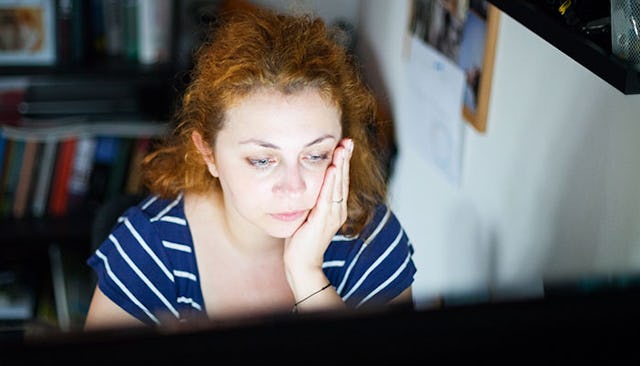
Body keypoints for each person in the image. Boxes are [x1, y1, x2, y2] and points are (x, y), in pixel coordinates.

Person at [84, 6, 417, 331]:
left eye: (316, 155)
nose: (294, 187)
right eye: (262, 160)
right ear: (208, 154)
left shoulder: (371, 241)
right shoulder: (150, 250)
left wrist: (306, 275)